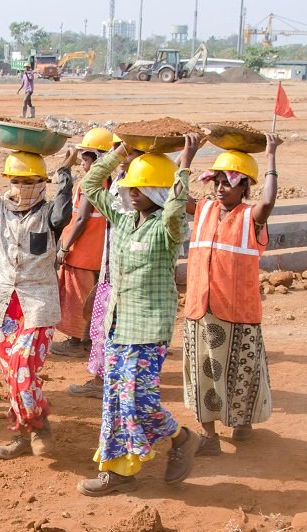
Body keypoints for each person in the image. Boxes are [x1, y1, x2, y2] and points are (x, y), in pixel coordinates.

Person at [75, 135, 203, 497]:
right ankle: (118, 472)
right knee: (115, 400)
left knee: (139, 401)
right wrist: (121, 153)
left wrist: (185, 161)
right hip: (118, 324)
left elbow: (179, 208)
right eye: (131, 185)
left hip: (148, 327)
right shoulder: (123, 218)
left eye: (142, 187)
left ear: (160, 191)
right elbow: (89, 184)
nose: (132, 192)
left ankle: (182, 438)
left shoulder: (167, 228)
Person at [0, 113, 77, 460]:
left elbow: (63, 210)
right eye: (13, 181)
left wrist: (65, 173)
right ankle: (23, 435)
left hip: (37, 305)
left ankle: (40, 425)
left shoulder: (50, 215)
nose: (19, 189)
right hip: (4, 306)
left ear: (40, 183)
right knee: (11, 376)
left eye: (27, 182)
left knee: (24, 370)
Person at [183, 137, 279, 454]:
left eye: (229, 183)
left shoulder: (252, 217)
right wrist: (188, 155)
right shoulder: (204, 210)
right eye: (218, 181)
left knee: (242, 374)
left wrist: (271, 157)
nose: (221, 188)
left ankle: (242, 423)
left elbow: (268, 202)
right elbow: (176, 197)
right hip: (201, 308)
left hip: (239, 314)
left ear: (244, 189)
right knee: (203, 375)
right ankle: (209, 436)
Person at [68, 137, 140, 399]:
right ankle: (109, 380)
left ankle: (108, 383)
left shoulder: (135, 184)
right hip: (112, 267)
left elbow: (91, 183)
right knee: (104, 326)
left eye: (124, 149)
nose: (120, 154)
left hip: (125, 274)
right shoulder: (123, 179)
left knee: (112, 329)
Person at [52, 128, 114, 358]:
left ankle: (77, 342)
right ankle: (87, 340)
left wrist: (65, 247)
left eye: (86, 159)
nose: (83, 165)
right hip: (97, 253)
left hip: (82, 252)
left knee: (78, 299)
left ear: (97, 158)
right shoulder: (110, 182)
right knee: (92, 298)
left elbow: (81, 218)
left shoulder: (90, 183)